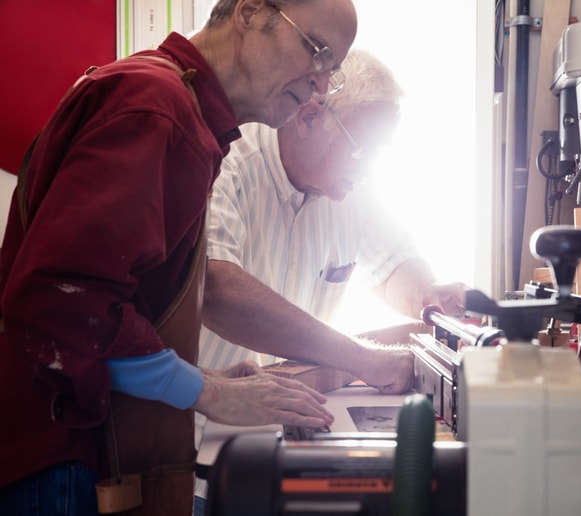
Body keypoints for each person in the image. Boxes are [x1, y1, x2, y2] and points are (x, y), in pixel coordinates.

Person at [0, 0, 357, 515]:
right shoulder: (156, 108)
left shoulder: (176, 106)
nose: (322, 85)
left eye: (334, 72)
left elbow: (110, 298)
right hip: (56, 461)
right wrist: (207, 394)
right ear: (251, 12)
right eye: (318, 53)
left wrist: (208, 379)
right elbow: (57, 304)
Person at [199, 48, 465, 396]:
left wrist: (428, 294)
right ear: (308, 118)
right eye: (363, 149)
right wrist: (361, 359)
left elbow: (392, 263)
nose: (369, 168)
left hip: (291, 406)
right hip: (202, 422)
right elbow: (218, 288)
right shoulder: (226, 162)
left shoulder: (354, 186)